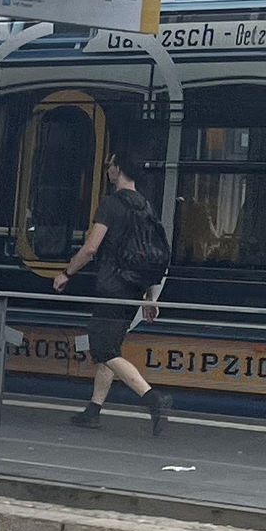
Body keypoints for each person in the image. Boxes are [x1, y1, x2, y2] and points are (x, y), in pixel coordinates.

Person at [52, 153, 174, 427]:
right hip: (133, 289)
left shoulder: (111, 204)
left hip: (111, 286)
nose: (107, 170)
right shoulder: (145, 206)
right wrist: (149, 298)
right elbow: (147, 256)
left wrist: (66, 273)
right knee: (111, 348)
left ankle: (153, 398)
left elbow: (91, 248)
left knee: (103, 349)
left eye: (109, 166)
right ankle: (93, 411)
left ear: (117, 170)